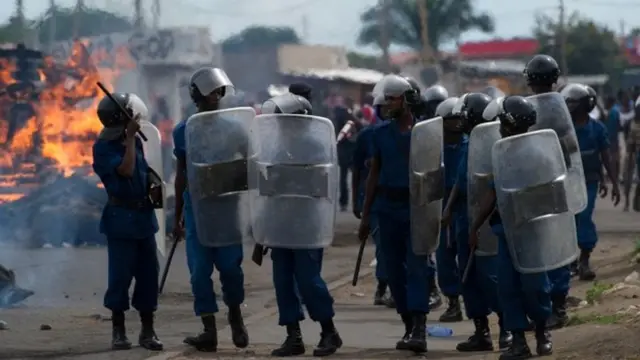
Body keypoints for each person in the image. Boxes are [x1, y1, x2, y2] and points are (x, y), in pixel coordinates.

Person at [252, 93, 342, 357]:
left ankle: (329, 332)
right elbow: (267, 193)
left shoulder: (316, 146)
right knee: (282, 282)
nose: (279, 124)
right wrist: (261, 236)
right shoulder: (276, 148)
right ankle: (293, 336)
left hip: (307, 225)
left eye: (284, 119)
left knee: (308, 281)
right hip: (280, 224)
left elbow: (320, 187)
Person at [470, 95, 555, 359]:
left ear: (508, 123)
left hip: (532, 231)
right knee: (507, 287)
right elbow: (492, 194)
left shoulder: (540, 154)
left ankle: (542, 332)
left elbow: (553, 195)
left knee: (535, 286)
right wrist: (476, 226)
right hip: (505, 232)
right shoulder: (502, 153)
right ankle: (518, 340)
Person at [172, 67, 248, 352]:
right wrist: (177, 215)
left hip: (227, 207)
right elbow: (181, 174)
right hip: (197, 210)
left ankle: (236, 315)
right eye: (211, 91)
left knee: (231, 269)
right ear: (197, 94)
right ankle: (208, 329)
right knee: (199, 272)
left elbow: (250, 158)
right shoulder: (183, 130)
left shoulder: (234, 127)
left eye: (219, 91)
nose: (216, 96)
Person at [358, 75, 432, 353]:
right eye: (385, 98)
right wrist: (366, 216)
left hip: (416, 208)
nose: (387, 103)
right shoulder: (378, 134)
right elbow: (373, 174)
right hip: (387, 209)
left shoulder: (425, 133)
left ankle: (420, 328)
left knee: (417, 268)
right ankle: (407, 324)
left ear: (407, 99)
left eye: (392, 98)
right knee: (393, 272)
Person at [92, 93, 163, 351]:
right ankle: (118, 331)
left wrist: (154, 185)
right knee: (120, 278)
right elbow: (126, 170)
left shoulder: (132, 142)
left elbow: (141, 172)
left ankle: (148, 330)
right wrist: (131, 139)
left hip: (143, 219)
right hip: (121, 220)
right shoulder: (103, 147)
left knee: (148, 277)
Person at [441, 93, 512, 351]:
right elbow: (461, 182)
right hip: (463, 218)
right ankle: (481, 331)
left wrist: (478, 224)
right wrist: (448, 209)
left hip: (486, 219)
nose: (460, 121)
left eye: (464, 116)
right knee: (468, 277)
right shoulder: (468, 145)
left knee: (491, 276)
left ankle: (507, 327)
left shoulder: (494, 144)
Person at [524, 54, 576, 331]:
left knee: (545, 244)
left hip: (540, 184)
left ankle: (552, 306)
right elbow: (570, 148)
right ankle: (555, 305)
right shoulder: (560, 108)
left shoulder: (530, 108)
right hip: (553, 182)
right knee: (554, 243)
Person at [561, 84, 620, 280]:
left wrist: (613, 183)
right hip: (567, 182)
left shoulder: (597, 129)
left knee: (584, 217)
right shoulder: (563, 130)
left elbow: (605, 157)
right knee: (570, 220)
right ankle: (570, 261)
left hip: (589, 181)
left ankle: (584, 260)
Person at [352, 94, 392, 307]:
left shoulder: (409, 134)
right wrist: (356, 203)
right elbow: (358, 170)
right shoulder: (367, 135)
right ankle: (383, 286)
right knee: (382, 246)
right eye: (383, 107)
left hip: (398, 199)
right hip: (375, 200)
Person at [432, 96, 464, 323]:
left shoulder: (471, 143)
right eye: (450, 118)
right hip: (440, 204)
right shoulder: (434, 148)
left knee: (468, 256)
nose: (456, 122)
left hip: (465, 205)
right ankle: (453, 302)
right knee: (443, 256)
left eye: (458, 117)